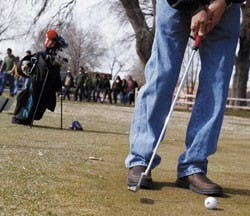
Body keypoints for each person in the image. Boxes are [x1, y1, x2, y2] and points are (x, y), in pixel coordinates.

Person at [125, 0, 244, 196]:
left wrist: (224, 1)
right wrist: (196, 7)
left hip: (227, 8)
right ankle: (140, 159)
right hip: (176, 4)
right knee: (162, 74)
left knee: (217, 83)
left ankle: (193, 166)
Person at [12, 29, 67, 125]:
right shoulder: (40, 55)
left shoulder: (53, 58)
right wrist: (25, 66)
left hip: (44, 87)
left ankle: (27, 119)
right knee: (30, 101)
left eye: (50, 40)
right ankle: (22, 119)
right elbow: (31, 62)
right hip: (35, 83)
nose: (48, 41)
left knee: (39, 106)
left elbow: (56, 74)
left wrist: (58, 88)